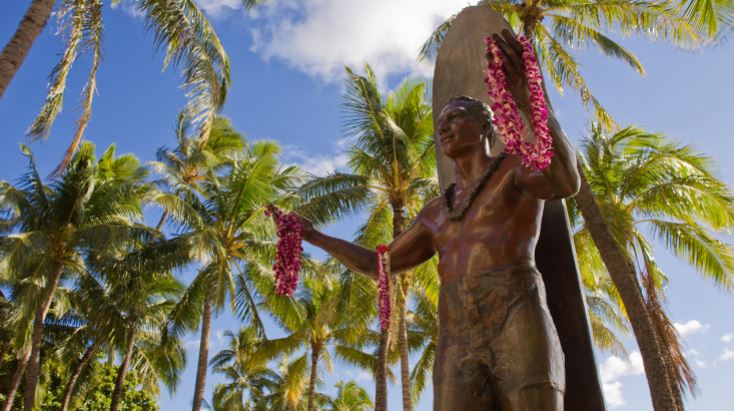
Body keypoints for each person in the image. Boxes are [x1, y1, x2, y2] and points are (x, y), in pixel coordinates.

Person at [298, 30, 580, 410]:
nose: (444, 127)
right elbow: (378, 264)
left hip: (515, 313)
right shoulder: (434, 212)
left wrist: (531, 101)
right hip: (457, 336)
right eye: (441, 122)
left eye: (456, 118)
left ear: (486, 127)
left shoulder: (514, 169)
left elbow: (564, 181)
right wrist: (313, 235)